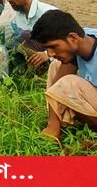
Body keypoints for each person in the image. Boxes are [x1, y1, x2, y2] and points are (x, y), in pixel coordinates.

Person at [30, 10, 97, 141]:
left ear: (73, 38)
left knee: (69, 83)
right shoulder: (82, 37)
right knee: (56, 65)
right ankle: (55, 124)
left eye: (53, 47)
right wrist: (52, 123)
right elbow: (61, 76)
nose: (49, 54)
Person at [0, 0, 55, 68]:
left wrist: (47, 55)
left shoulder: (48, 13)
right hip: (31, 58)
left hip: (52, 59)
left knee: (22, 35)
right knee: (6, 29)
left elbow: (67, 41)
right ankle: (17, 74)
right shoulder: (18, 15)